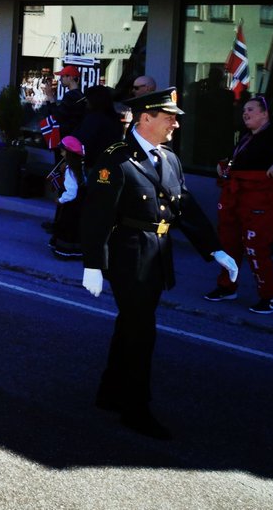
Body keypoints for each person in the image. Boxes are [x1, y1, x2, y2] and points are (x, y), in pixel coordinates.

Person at [79, 87, 238, 440]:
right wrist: (93, 264)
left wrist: (215, 250)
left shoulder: (169, 159)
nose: (175, 126)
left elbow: (185, 207)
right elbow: (97, 216)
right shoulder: (116, 158)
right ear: (145, 118)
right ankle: (136, 409)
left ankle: (109, 392)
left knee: (132, 324)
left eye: (175, 119)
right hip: (128, 255)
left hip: (156, 254)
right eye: (169, 118)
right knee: (141, 332)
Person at [205, 94, 273, 313]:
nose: (245, 113)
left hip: (262, 199)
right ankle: (227, 287)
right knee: (229, 244)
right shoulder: (247, 136)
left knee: (255, 247)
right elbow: (236, 160)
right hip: (236, 197)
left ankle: (271, 298)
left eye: (251, 110)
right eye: (244, 110)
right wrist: (225, 166)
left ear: (265, 114)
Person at [47, 136, 86, 259]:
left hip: (71, 205)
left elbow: (71, 192)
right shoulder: (79, 166)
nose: (61, 153)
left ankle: (64, 251)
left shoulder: (70, 171)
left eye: (63, 151)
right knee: (75, 227)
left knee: (67, 227)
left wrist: (60, 199)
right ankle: (76, 250)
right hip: (79, 204)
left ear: (69, 153)